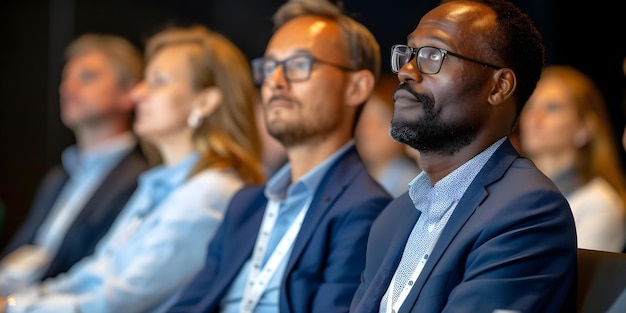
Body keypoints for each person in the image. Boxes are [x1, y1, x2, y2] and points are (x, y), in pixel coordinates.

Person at [1, 24, 265, 313]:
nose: (139, 93)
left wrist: (16, 307)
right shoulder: (160, 184)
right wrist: (17, 302)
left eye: (158, 81)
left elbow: (118, 301)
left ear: (204, 101)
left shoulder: (210, 193)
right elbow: (95, 274)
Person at [350, 0, 578, 312]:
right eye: (410, 53)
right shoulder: (393, 217)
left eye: (433, 55)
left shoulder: (527, 211)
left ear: (498, 87)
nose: (406, 71)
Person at [167, 0, 392, 312]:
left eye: (299, 65)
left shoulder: (366, 210)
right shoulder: (246, 205)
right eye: (270, 67)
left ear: (356, 87)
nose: (275, 81)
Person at [0, 34, 148, 294]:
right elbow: (20, 253)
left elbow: (95, 279)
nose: (68, 88)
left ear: (129, 93)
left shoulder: (141, 180)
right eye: (66, 79)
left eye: (87, 77)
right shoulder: (58, 177)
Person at [519, 65, 626, 252]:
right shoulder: (513, 190)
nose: (534, 117)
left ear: (585, 128)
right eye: (529, 106)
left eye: (552, 107)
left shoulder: (598, 204)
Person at [356, 72, 422, 197]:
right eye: (364, 119)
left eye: (379, 121)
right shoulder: (358, 178)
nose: (367, 130)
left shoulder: (408, 185)